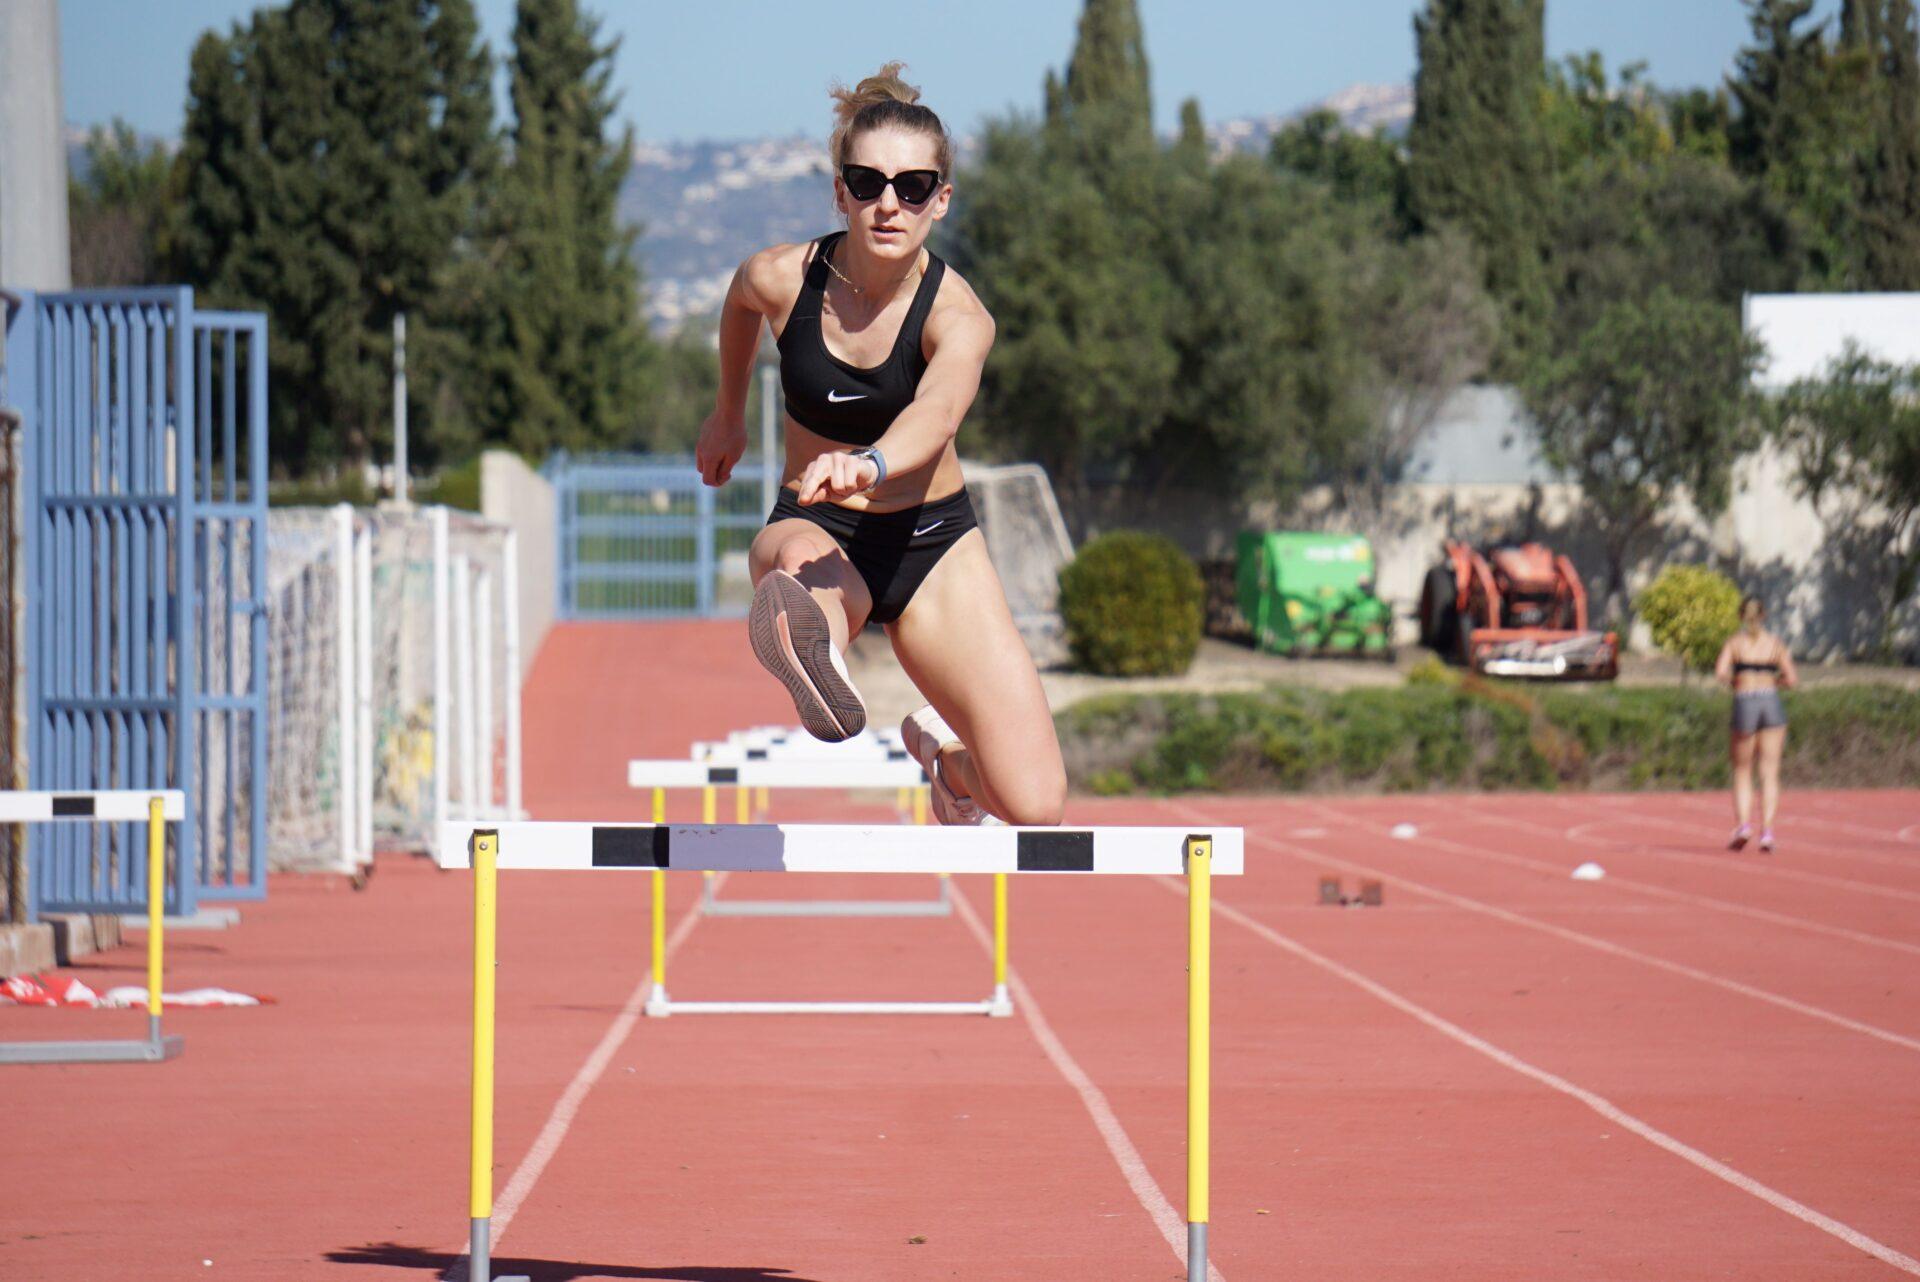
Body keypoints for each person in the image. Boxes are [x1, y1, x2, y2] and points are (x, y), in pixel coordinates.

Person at [693, 63, 1065, 828]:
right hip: (818, 523)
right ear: (841, 192)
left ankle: (947, 765)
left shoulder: (958, 316)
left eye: (913, 186)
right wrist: (726, 411)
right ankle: (813, 646)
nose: (889, 203)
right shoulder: (783, 278)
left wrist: (868, 463)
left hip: (932, 542)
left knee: (1036, 803)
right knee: (801, 579)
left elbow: (937, 412)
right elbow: (738, 298)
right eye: (867, 183)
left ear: (941, 199)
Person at [1713, 595, 1798, 852]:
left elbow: (1720, 672)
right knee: (1769, 770)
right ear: (1763, 616)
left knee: (1742, 769)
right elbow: (1792, 679)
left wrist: (1737, 680)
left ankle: (1743, 826)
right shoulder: (1775, 644)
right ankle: (1768, 832)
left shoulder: (1735, 643)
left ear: (1741, 616)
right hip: (1770, 701)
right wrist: (1774, 682)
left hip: (1745, 700)